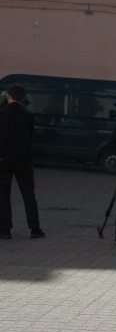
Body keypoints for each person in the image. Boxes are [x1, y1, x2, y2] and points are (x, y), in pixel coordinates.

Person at [0, 84, 44, 239]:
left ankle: (5, 229)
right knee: (28, 195)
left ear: (8, 96)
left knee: (3, 195)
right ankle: (35, 228)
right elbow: (30, 135)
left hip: (3, 159)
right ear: (23, 98)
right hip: (24, 159)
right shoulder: (28, 115)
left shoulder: (1, 114)